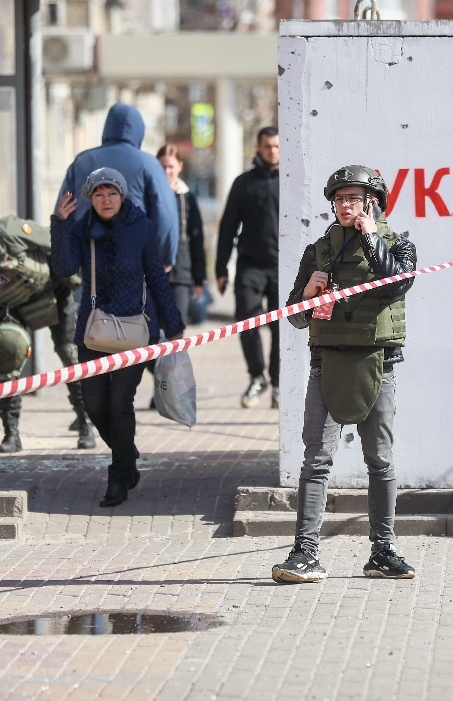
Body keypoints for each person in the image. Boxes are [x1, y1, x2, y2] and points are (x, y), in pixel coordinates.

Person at [271, 165, 418, 584]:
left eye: (354, 198)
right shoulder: (318, 251)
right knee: (316, 461)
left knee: (380, 460)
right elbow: (297, 318)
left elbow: (394, 285)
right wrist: (307, 294)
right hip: (328, 365)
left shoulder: (399, 245)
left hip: (378, 365)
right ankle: (305, 552)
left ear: (373, 202)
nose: (345, 205)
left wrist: (370, 236)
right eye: (339, 199)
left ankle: (383, 550)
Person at [50, 168, 185, 508]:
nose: (105, 200)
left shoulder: (140, 227)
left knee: (119, 402)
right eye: (98, 194)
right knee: (93, 403)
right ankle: (127, 453)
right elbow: (64, 269)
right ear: (90, 199)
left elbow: (156, 276)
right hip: (93, 331)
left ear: (122, 196)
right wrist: (60, 224)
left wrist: (174, 324)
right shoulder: (82, 229)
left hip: (135, 330)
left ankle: (118, 475)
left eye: (111, 193)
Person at [0, 215, 95, 452]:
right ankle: (11, 435)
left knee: (70, 354)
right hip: (13, 308)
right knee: (4, 350)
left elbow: (52, 240)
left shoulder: (7, 233)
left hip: (52, 292)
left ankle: (85, 424)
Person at [57, 103, 180, 270]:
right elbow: (165, 213)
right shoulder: (148, 164)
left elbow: (64, 209)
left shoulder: (82, 162)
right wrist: (166, 257)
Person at [216, 127, 280, 408]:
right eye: (267, 146)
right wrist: (221, 269)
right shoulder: (243, 183)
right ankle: (257, 376)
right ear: (257, 148)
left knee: (282, 328)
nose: (272, 151)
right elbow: (228, 227)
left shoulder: (291, 181)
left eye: (277, 146)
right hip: (250, 265)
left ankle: (279, 383)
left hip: (283, 265)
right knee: (246, 321)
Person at [156, 145, 206, 322]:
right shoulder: (150, 195)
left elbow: (197, 239)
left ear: (179, 166)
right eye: (163, 166)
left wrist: (199, 279)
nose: (167, 171)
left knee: (177, 327)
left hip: (181, 273)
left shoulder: (188, 198)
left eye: (171, 166)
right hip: (154, 272)